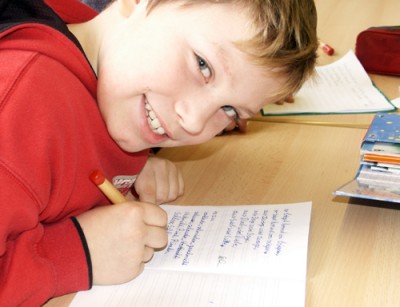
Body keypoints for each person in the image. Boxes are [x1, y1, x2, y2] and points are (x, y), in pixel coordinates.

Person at [0, 0, 318, 305]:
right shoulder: (22, 106)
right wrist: (74, 254)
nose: (194, 123)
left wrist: (141, 158)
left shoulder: (114, 70)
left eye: (230, 110)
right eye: (203, 65)